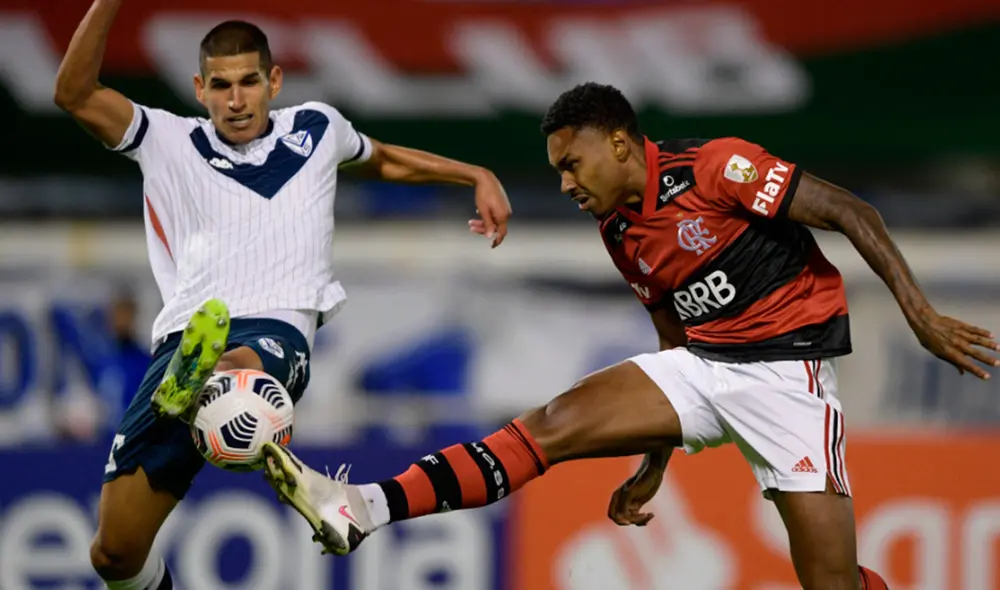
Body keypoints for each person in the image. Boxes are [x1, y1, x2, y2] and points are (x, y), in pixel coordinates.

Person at [262, 82, 1000, 590]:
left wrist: (923, 316)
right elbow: (671, 339)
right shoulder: (621, 232)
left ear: (619, 144)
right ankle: (365, 508)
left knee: (830, 583)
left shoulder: (716, 168)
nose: (563, 184)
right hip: (704, 366)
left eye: (571, 164)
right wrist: (656, 461)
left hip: (788, 382)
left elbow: (851, 210)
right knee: (548, 425)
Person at [54, 1, 512, 588]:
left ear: (274, 81)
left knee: (235, 375)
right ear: (199, 88)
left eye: (249, 82)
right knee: (113, 553)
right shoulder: (165, 138)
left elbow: (385, 160)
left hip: (273, 336)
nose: (236, 100)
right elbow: (73, 93)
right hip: (179, 341)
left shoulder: (317, 129)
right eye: (220, 85)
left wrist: (473, 174)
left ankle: (209, 388)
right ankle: (240, 427)